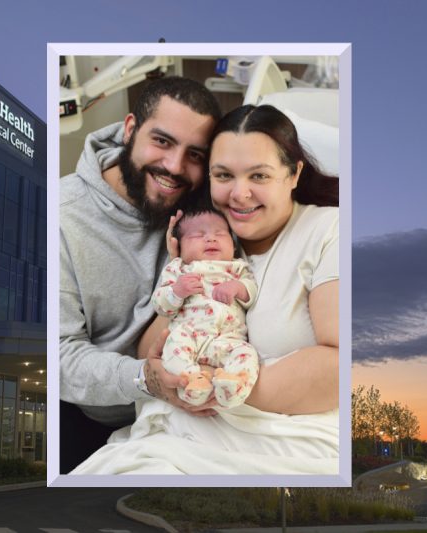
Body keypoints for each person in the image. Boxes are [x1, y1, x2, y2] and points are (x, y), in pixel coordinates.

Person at [71, 104, 340, 475]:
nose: (239, 194)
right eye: (224, 175)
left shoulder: (328, 231)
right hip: (179, 430)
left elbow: (340, 363)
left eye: (259, 176)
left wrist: (214, 389)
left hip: (276, 438)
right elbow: (150, 352)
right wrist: (180, 266)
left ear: (294, 174)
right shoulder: (215, 238)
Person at [59, 76, 221, 473]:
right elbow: (60, 352)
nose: (174, 167)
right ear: (130, 129)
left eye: (194, 155)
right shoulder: (62, 218)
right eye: (162, 141)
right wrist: (145, 379)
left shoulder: (201, 204)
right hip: (95, 417)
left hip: (187, 413)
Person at [152, 206, 258, 408]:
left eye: (220, 233)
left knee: (246, 353)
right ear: (179, 248)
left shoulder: (237, 268)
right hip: (190, 334)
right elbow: (160, 304)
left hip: (228, 339)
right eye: (197, 235)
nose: (211, 238)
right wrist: (177, 291)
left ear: (233, 245)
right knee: (173, 346)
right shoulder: (178, 268)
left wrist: (238, 287)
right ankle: (192, 381)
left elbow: (251, 292)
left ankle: (234, 384)